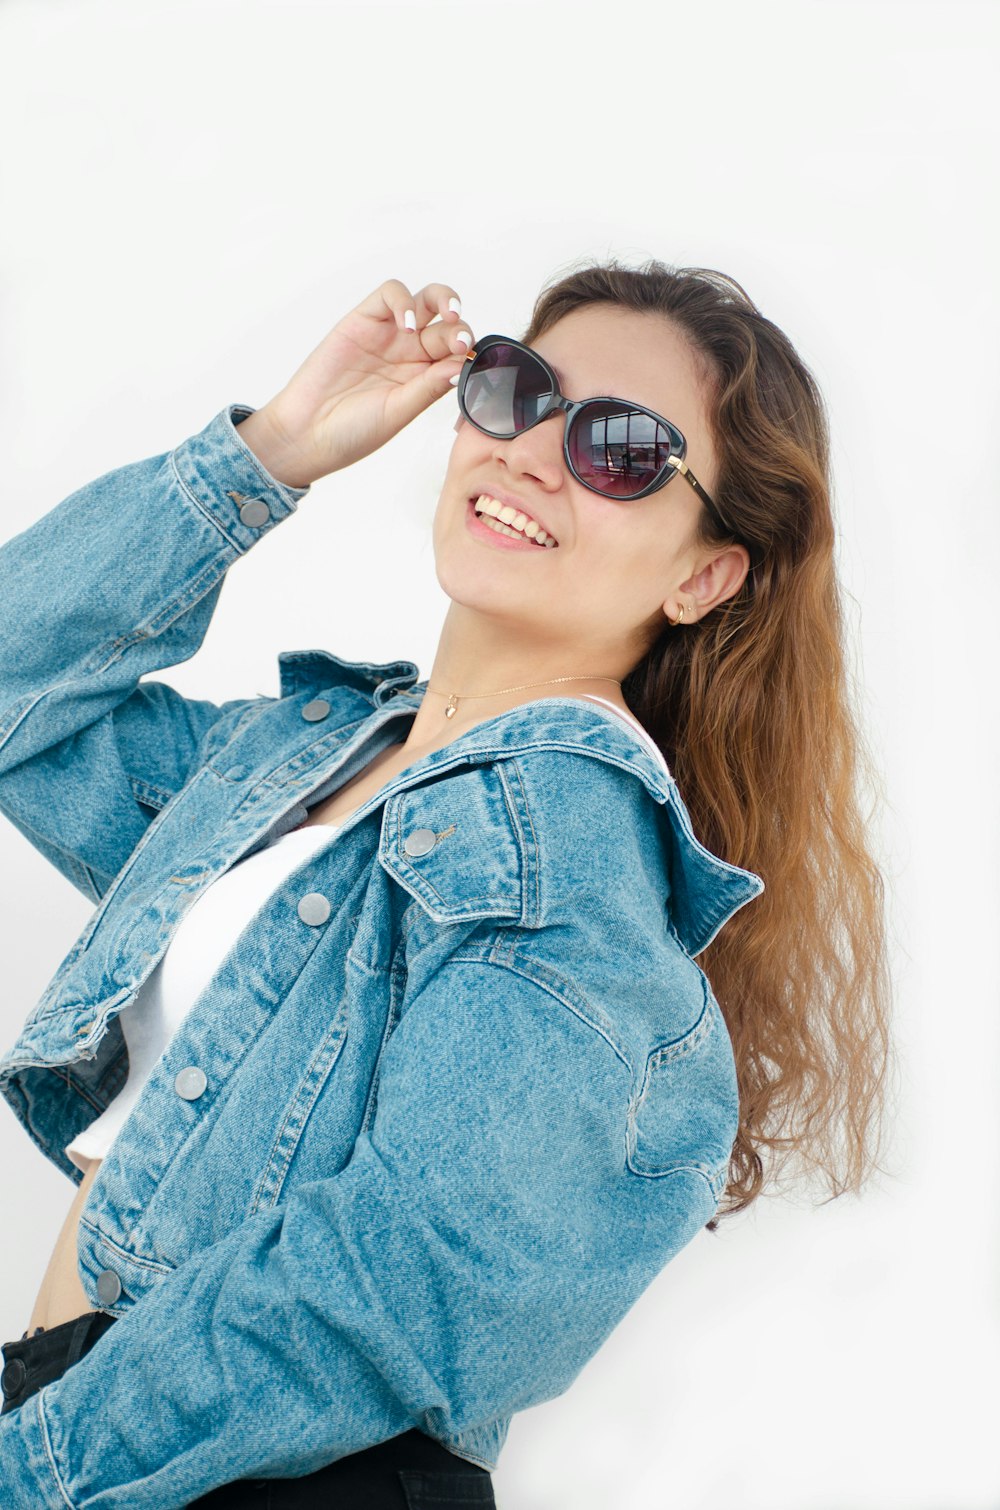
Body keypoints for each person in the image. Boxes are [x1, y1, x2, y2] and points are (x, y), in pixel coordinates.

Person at [0, 262, 893, 1506]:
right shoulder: (301, 765)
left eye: (621, 451)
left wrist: (34, 1469)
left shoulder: (565, 862)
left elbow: (396, 1290)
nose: (533, 451)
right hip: (99, 1442)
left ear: (704, 576)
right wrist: (271, 453)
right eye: (516, 389)